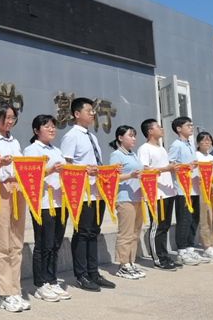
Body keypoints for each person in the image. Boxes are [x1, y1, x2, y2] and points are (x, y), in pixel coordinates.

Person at [59, 97, 116, 292]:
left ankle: (94, 272)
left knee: (93, 232)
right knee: (82, 233)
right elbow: (66, 167)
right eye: (89, 111)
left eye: (93, 111)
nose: (92, 114)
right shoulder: (71, 136)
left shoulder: (92, 136)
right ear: (77, 114)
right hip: (81, 193)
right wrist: (85, 171)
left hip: (97, 191)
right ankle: (81, 275)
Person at [0, 101, 29, 312]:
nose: (10, 122)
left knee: (17, 242)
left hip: (18, 189)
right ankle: (5, 293)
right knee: (3, 243)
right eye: (6, 117)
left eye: (12, 118)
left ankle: (16, 290)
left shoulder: (15, 141)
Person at [23, 114, 71, 302]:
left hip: (61, 202)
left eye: (53, 126)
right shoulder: (31, 150)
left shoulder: (57, 150)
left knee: (55, 244)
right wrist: (51, 170)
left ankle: (52, 279)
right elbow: (29, 175)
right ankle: (41, 284)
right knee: (43, 244)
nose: (52, 129)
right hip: (43, 203)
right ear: (36, 130)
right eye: (47, 126)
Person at [137, 119, 179, 271]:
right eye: (158, 127)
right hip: (155, 193)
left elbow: (164, 168)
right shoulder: (144, 149)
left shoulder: (161, 148)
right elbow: (144, 169)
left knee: (165, 226)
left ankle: (165, 256)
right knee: (157, 227)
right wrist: (166, 169)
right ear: (150, 131)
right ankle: (158, 259)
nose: (162, 129)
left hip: (168, 192)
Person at [167, 117, 205, 266]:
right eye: (188, 125)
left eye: (191, 125)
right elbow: (171, 165)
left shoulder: (190, 144)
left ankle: (190, 248)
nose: (191, 127)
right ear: (179, 129)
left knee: (193, 220)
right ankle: (181, 251)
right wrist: (187, 166)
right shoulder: (176, 145)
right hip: (182, 189)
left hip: (194, 188)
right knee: (184, 220)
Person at [108, 126, 145, 280]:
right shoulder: (116, 155)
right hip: (124, 198)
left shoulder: (133, 155)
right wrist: (130, 175)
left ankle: (131, 262)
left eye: (134, 135)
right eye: (130, 135)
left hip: (137, 197)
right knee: (126, 232)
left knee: (135, 233)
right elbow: (112, 177)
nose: (134, 138)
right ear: (120, 138)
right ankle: (123, 265)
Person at [192, 132, 213, 260]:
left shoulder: (211, 157)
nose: (207, 142)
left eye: (209, 140)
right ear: (198, 142)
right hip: (202, 189)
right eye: (204, 140)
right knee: (205, 217)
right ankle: (206, 246)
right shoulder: (196, 156)